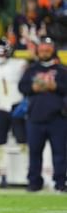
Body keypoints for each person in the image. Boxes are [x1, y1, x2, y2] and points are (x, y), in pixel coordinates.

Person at [18, 37, 67, 192]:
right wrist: (33, 87)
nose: (45, 52)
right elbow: (22, 87)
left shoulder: (62, 70)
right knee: (34, 153)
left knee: (60, 153)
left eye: (47, 49)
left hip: (57, 117)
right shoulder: (31, 69)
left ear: (53, 50)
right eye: (42, 49)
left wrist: (55, 86)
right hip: (35, 117)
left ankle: (60, 182)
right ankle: (34, 182)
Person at [0, 39, 28, 188]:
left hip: (16, 105)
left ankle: (28, 174)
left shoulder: (19, 64)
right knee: (0, 142)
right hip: (1, 106)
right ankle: (2, 175)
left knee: (23, 140)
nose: (0, 55)